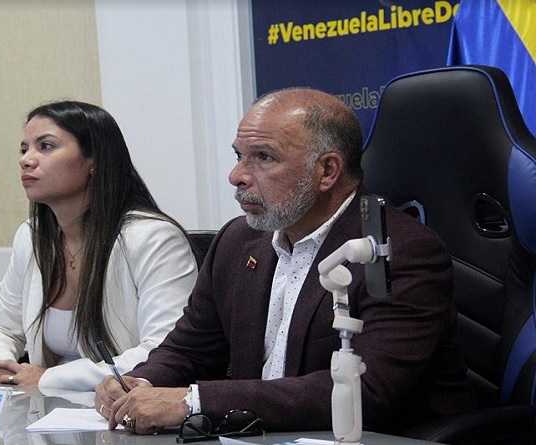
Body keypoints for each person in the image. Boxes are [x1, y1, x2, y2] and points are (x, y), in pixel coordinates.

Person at [95, 88, 475, 435]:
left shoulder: (396, 250)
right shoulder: (237, 241)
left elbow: (367, 389)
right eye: (239, 156)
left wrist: (192, 402)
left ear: (327, 171)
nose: (236, 176)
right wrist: (140, 383)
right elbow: (188, 350)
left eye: (263, 157)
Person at [0, 101, 198, 391]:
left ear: (95, 160)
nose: (26, 160)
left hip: (122, 405)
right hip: (43, 404)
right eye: (24, 149)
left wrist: (47, 379)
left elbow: (163, 352)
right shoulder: (32, 236)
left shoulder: (153, 238)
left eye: (46, 146)